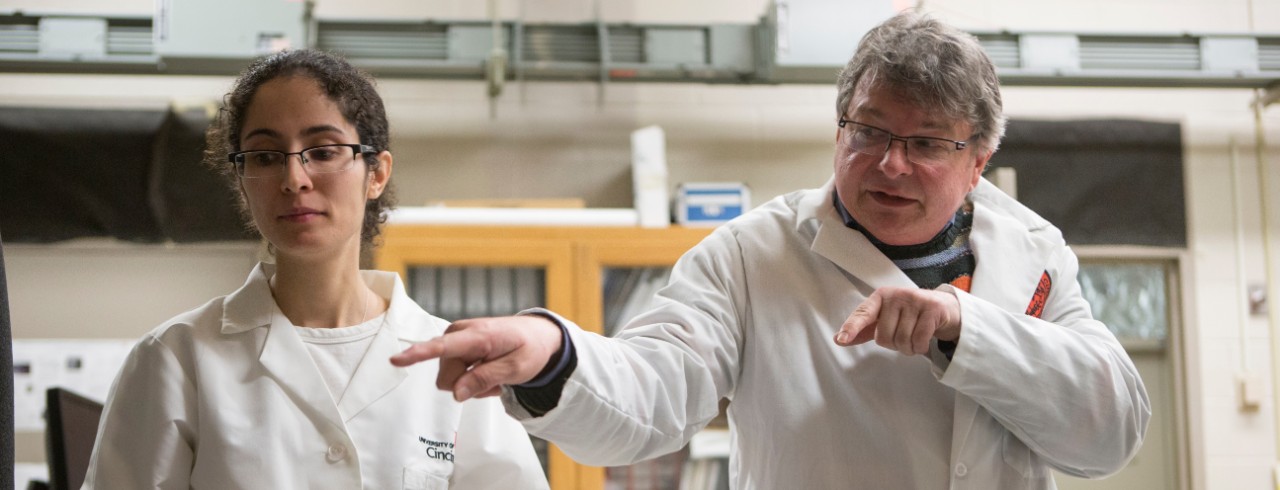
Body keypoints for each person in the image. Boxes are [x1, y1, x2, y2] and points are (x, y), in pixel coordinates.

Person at [391, 11, 1151, 489]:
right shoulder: (753, 256)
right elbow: (653, 391)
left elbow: (1108, 432)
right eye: (870, 131)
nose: (890, 163)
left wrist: (965, 328)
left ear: (977, 160)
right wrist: (557, 352)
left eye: (925, 144)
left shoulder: (1033, 251)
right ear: (839, 128)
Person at [82, 49, 547, 489]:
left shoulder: (453, 368)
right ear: (242, 182)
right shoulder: (176, 360)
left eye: (323, 151)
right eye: (265, 157)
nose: (294, 179)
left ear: (376, 173)